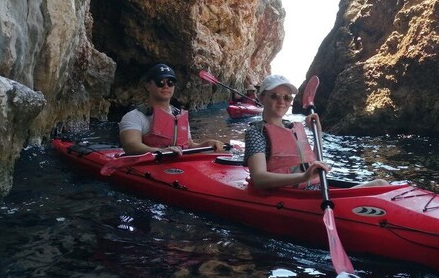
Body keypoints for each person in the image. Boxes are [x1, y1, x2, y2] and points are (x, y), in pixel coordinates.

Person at [244, 74, 388, 189]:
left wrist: (317, 133)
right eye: (274, 96)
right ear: (262, 97)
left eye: (287, 97)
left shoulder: (293, 128)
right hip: (288, 195)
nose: (282, 101)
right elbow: (259, 178)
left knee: (380, 184)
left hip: (315, 189)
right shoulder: (256, 132)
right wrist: (303, 177)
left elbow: (313, 160)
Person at [119, 63, 226, 156]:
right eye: (160, 82)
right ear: (148, 86)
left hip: (176, 167)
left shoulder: (178, 115)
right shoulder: (134, 116)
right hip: (148, 167)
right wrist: (162, 151)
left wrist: (206, 144)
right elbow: (131, 146)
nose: (166, 86)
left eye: (170, 83)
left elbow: (188, 145)